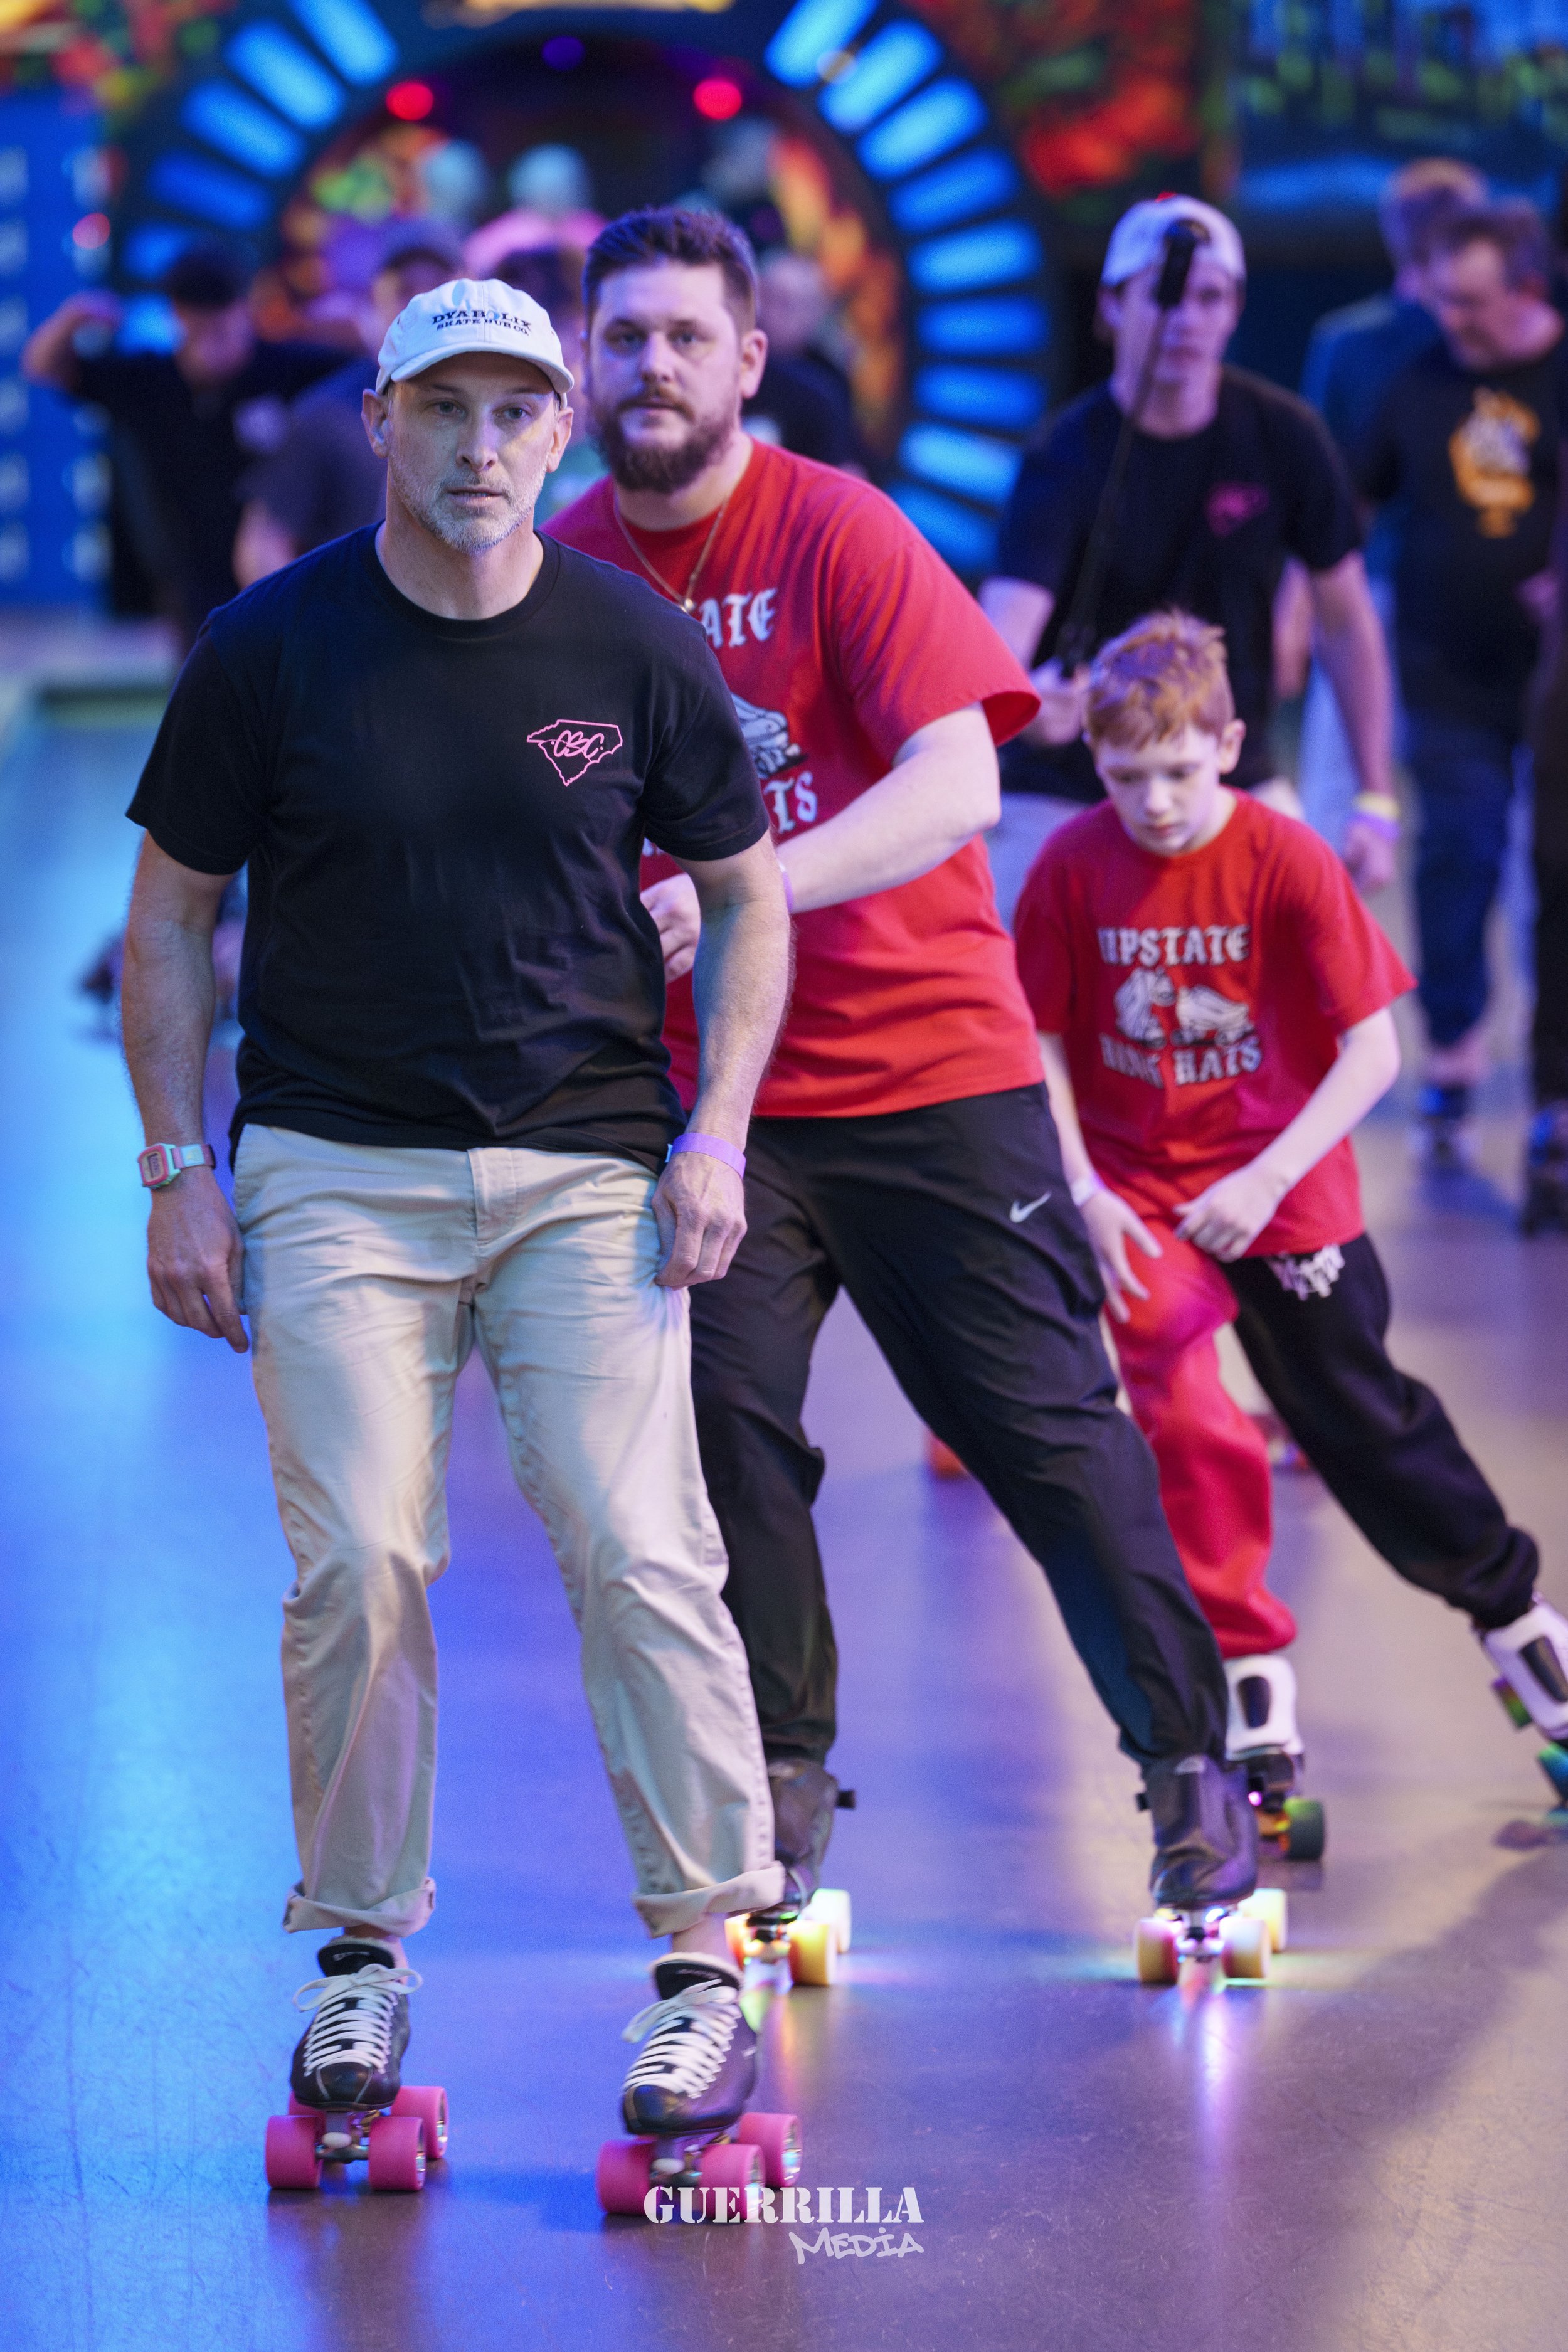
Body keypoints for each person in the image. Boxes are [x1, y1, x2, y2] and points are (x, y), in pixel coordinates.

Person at [119, 277, 797, 2153]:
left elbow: (748, 897)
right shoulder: (271, 646)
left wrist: (718, 1132)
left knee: (635, 1546)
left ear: (558, 433)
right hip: (333, 1164)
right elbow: (172, 914)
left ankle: (700, 1960)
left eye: (514, 413)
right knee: (358, 1563)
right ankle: (357, 1950)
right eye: (443, 412)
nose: (479, 448)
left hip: (586, 1162)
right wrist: (180, 1165)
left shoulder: (631, 643)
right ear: (380, 420)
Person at [548, 204, 1258, 1924]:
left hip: (931, 1073)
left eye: (683, 337)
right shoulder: (559, 570)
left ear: (746, 360)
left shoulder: (835, 531)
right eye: (622, 333)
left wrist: (740, 888)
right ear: (586, 358)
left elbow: (959, 785)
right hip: (714, 1110)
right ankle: (784, 1770)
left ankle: (1184, 1760)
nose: (651, 364)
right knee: (721, 1436)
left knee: (1044, 1436)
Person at [1014, 610, 1564, 1816]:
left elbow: (1373, 1050)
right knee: (1170, 1376)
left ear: (1230, 742)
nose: (1155, 803)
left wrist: (1267, 1178)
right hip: (1145, 1189)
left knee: (1360, 1421)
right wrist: (1091, 1194)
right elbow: (1040, 1038)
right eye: (1125, 778)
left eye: (1179, 771)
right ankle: (1250, 1660)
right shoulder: (1069, 869)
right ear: (1094, 767)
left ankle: (1517, 1620)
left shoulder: (1286, 858)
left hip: (1283, 1183)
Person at [980, 195, 1399, 898]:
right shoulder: (1065, 450)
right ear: (1111, 308)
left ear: (1235, 309)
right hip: (1074, 786)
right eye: (1164, 296)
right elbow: (1005, 629)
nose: (1186, 320)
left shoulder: (1284, 435)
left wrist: (1377, 799)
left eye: (1210, 298)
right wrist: (1024, 699)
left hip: (1232, 771)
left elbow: (1347, 622)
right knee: (1004, 969)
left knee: (1311, 951)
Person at [1352, 198, 1565, 1168]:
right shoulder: (1417, 379)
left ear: (1526, 285)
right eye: (1442, 301)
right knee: (1460, 855)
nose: (1456, 321)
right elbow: (1351, 505)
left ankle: (1552, 1090)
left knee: (1556, 871)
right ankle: (1453, 1054)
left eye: (1473, 303)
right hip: (1444, 666)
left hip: (1554, 673)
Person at [1295, 159, 1488, 854]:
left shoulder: (1485, 337)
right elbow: (1325, 490)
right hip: (1374, 588)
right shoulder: (1356, 343)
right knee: (1345, 787)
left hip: (1428, 590)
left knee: (1352, 792)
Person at [22, 242, 341, 643]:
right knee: (207, 688)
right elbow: (41, 366)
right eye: (200, 327)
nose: (214, 342)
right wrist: (74, 317)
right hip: (188, 578)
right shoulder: (149, 382)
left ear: (245, 310)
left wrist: (348, 325)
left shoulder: (289, 368)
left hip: (283, 570)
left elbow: (374, 375)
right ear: (177, 317)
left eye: (223, 326)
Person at [232, 221, 463, 586]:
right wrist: (305, 630)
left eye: (438, 288)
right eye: (405, 289)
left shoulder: (495, 409)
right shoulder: (327, 413)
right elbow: (263, 540)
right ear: (376, 296)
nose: (422, 304)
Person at [744, 251, 858, 468]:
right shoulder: (728, 365)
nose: (767, 311)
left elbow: (846, 474)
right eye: (766, 295)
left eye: (785, 302)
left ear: (814, 315)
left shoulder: (824, 392)